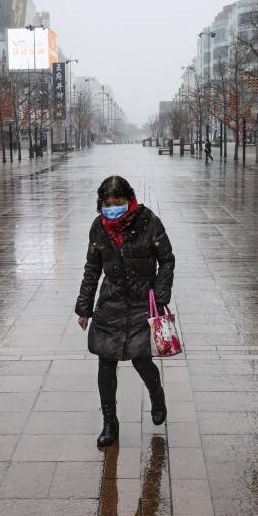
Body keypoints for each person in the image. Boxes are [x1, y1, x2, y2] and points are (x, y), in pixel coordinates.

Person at [76, 175, 176, 447]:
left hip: (142, 300)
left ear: (129, 199)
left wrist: (161, 292)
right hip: (110, 302)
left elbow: (166, 259)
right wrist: (84, 307)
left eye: (117, 201)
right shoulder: (99, 228)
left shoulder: (148, 222)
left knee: (141, 360)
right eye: (107, 203)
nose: (112, 207)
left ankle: (157, 395)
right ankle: (110, 422)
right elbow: (92, 269)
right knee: (105, 362)